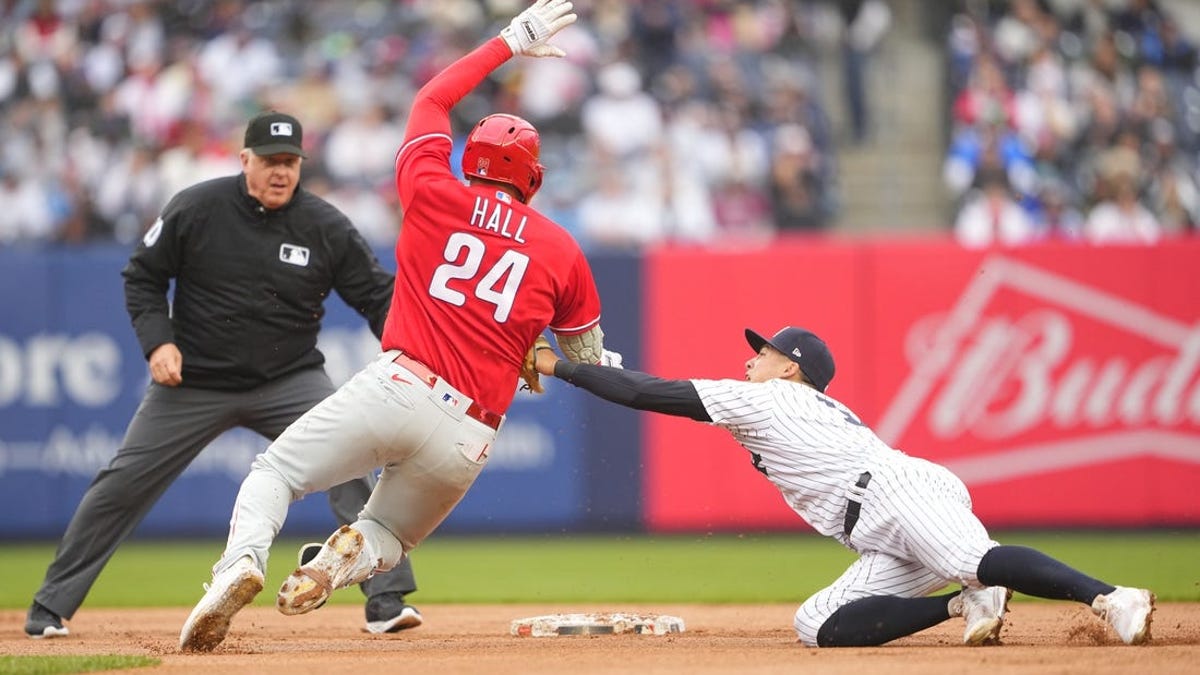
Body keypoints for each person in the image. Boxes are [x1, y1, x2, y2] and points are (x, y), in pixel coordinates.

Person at [179, 0, 619, 652]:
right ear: (533, 177)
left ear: (472, 160)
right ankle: (332, 564)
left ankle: (238, 566)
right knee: (388, 535)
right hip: (471, 435)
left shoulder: (431, 186)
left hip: (404, 384)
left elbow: (434, 98)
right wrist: (547, 351)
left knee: (273, 474)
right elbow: (586, 357)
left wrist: (509, 41)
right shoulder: (561, 250)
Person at [25, 111, 422, 640]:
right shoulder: (197, 207)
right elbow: (143, 275)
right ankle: (50, 607)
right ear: (245, 161)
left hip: (289, 378)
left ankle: (386, 601)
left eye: (290, 162)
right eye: (270, 161)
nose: (281, 172)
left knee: (351, 466)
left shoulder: (325, 225)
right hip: (194, 382)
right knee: (122, 483)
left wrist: (415, 349)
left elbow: (378, 297)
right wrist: (158, 341)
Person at [531, 325, 1156, 647]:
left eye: (765, 351)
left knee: (974, 559)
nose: (751, 358)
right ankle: (965, 604)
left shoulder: (770, 397)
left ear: (791, 368)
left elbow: (650, 394)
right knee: (817, 624)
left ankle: (1112, 597)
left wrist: (560, 366)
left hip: (894, 490)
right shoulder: (784, 403)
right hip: (879, 528)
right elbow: (639, 385)